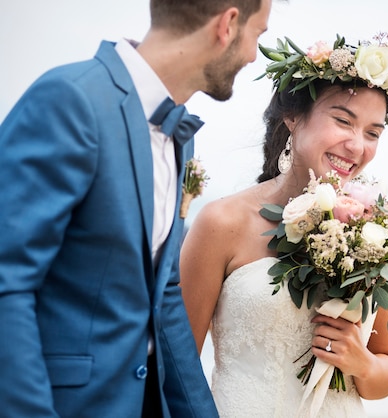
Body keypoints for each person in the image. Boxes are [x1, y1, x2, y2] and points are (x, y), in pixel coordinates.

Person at [0, 0, 272, 417]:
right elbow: (7, 283)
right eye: (258, 35)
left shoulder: (180, 137)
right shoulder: (71, 100)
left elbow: (162, 298)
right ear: (228, 24)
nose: (254, 54)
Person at [180, 33, 388, 417]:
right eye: (343, 120)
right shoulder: (221, 222)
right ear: (293, 117)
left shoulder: (383, 232)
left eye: (373, 132)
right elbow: (179, 367)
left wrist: (360, 363)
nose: (357, 146)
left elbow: (387, 371)